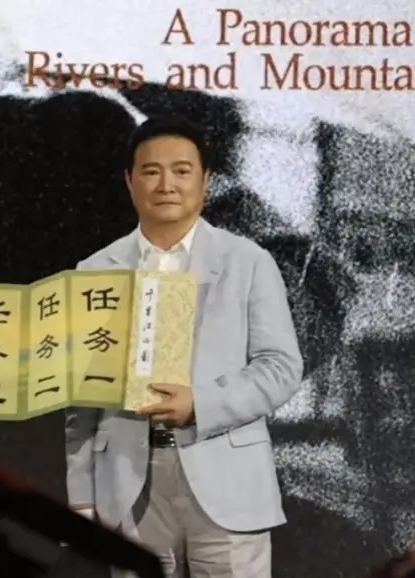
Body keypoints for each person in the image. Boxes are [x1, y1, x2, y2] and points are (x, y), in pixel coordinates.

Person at [64, 115, 303, 577]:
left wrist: (201, 404)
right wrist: (81, 495)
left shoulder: (249, 260)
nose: (166, 184)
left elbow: (280, 367)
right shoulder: (94, 270)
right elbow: (81, 397)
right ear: (130, 181)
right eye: (151, 172)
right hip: (128, 481)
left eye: (181, 170)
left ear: (206, 180)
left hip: (227, 475)